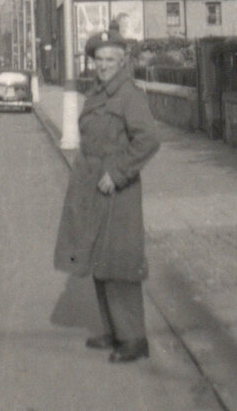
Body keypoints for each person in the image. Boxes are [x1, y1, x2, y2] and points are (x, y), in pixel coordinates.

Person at [54, 25, 160, 363]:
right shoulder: (98, 93)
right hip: (91, 187)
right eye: (98, 59)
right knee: (98, 260)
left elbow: (148, 140)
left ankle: (134, 339)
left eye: (110, 59)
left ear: (123, 60)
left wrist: (117, 174)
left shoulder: (129, 96)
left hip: (118, 191)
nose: (102, 66)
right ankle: (115, 330)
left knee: (120, 264)